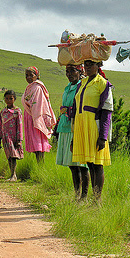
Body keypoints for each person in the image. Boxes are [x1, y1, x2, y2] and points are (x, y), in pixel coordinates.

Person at [70, 60, 113, 203]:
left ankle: (97, 200)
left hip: (94, 126)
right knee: (89, 163)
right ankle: (91, 199)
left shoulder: (103, 84)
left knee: (97, 164)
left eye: (91, 64)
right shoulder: (82, 83)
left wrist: (103, 136)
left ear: (98, 65)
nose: (87, 67)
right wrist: (74, 135)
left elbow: (107, 111)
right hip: (81, 126)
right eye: (85, 65)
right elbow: (76, 107)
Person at [55, 64, 90, 200]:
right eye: (67, 71)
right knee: (72, 165)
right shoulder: (68, 87)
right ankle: (77, 194)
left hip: (76, 127)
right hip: (65, 126)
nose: (69, 74)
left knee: (81, 165)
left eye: (72, 71)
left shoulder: (81, 86)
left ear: (80, 71)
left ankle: (84, 196)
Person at [21, 66, 56, 163]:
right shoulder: (29, 88)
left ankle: (41, 166)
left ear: (36, 75)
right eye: (26, 75)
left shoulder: (37, 87)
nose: (28, 77)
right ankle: (38, 167)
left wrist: (35, 118)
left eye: (31, 75)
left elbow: (38, 104)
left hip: (36, 117)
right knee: (35, 143)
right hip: (30, 116)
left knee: (38, 143)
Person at [0, 89, 23, 181]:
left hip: (14, 138)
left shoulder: (17, 111)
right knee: (9, 156)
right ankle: (12, 174)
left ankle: (14, 175)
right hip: (5, 137)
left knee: (13, 156)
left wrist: (19, 140)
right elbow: (0, 125)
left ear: (14, 99)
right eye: (7, 98)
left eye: (11, 98)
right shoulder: (3, 112)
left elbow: (19, 125)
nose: (8, 100)